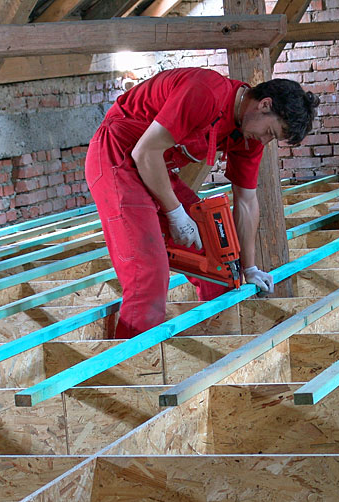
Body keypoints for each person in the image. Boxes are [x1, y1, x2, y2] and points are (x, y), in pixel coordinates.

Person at [85, 67, 319, 339]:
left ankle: (216, 348)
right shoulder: (206, 92)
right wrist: (176, 213)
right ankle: (133, 361)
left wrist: (249, 267)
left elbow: (246, 201)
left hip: (155, 167)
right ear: (264, 105)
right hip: (117, 156)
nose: (265, 141)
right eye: (270, 132)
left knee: (221, 264)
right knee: (148, 273)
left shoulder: (249, 134)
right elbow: (145, 152)